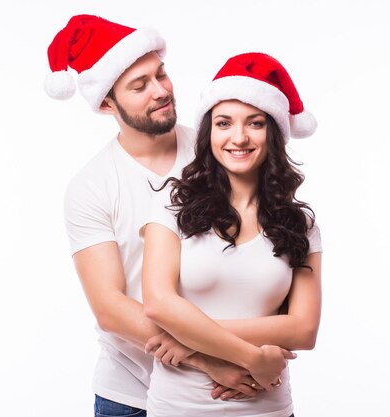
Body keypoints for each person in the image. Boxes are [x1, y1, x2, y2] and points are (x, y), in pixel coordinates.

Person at [45, 16, 288, 416]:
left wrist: (245, 353)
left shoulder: (222, 152)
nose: (160, 91)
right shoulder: (91, 187)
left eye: (161, 74)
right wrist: (207, 358)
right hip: (131, 395)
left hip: (237, 387)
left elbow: (273, 255)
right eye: (139, 86)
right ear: (107, 103)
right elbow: (109, 307)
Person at [141, 52, 322, 417]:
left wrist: (186, 335)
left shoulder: (300, 224)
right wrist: (254, 357)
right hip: (178, 406)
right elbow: (159, 305)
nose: (238, 137)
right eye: (224, 123)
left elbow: (303, 329)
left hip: (266, 408)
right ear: (210, 134)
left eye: (254, 123)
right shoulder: (171, 212)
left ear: (273, 133)